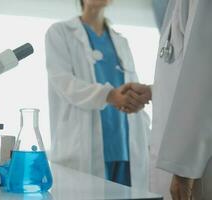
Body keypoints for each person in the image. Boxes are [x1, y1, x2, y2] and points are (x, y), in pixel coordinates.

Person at [45, 0, 150, 189]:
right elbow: (64, 82)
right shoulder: (60, 32)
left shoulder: (121, 41)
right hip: (84, 147)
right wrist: (109, 95)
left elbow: (129, 85)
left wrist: (137, 100)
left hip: (125, 144)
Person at [129, 0, 212, 199]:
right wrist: (154, 91)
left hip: (197, 167)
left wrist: (184, 165)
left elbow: (204, 74)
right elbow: (185, 74)